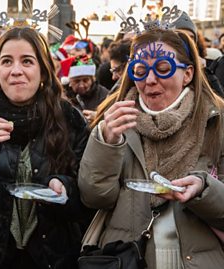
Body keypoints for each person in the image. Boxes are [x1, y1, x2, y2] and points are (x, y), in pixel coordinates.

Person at [0, 27, 92, 269]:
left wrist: (65, 188)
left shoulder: (69, 120)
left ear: (43, 71)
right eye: (6, 62)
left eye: (27, 61)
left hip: (53, 259)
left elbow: (89, 197)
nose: (16, 71)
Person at [79, 28, 224, 268]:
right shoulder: (116, 119)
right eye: (141, 70)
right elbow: (94, 196)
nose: (150, 80)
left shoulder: (216, 120)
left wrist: (203, 190)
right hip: (128, 257)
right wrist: (107, 141)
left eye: (163, 69)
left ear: (187, 74)